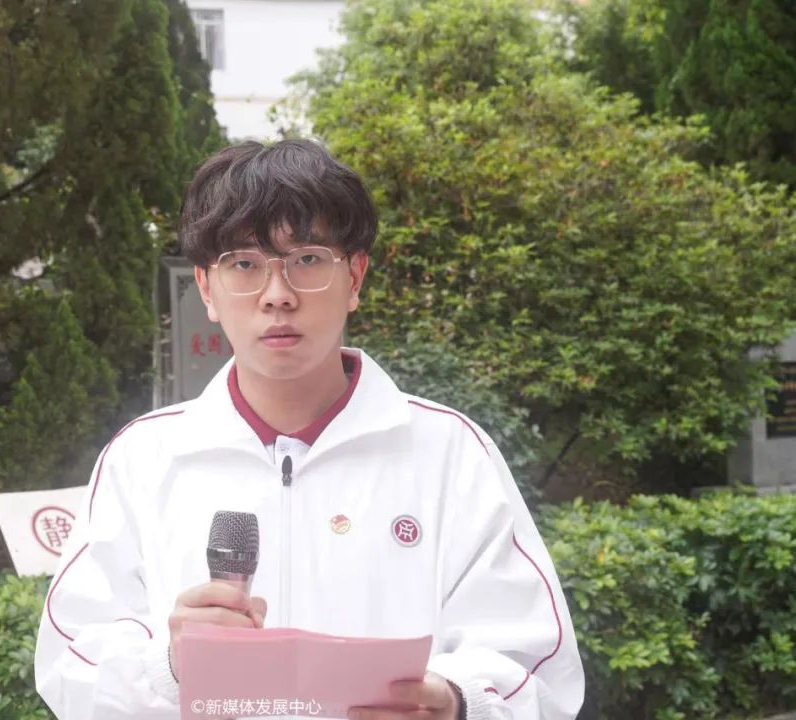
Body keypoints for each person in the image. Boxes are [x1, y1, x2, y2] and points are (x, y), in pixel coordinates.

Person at [35, 139, 585, 720]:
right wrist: (168, 667)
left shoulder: (449, 453)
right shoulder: (143, 459)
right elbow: (72, 662)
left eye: (308, 260)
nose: (278, 296)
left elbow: (534, 664)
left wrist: (455, 703)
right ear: (206, 289)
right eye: (244, 265)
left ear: (355, 277)